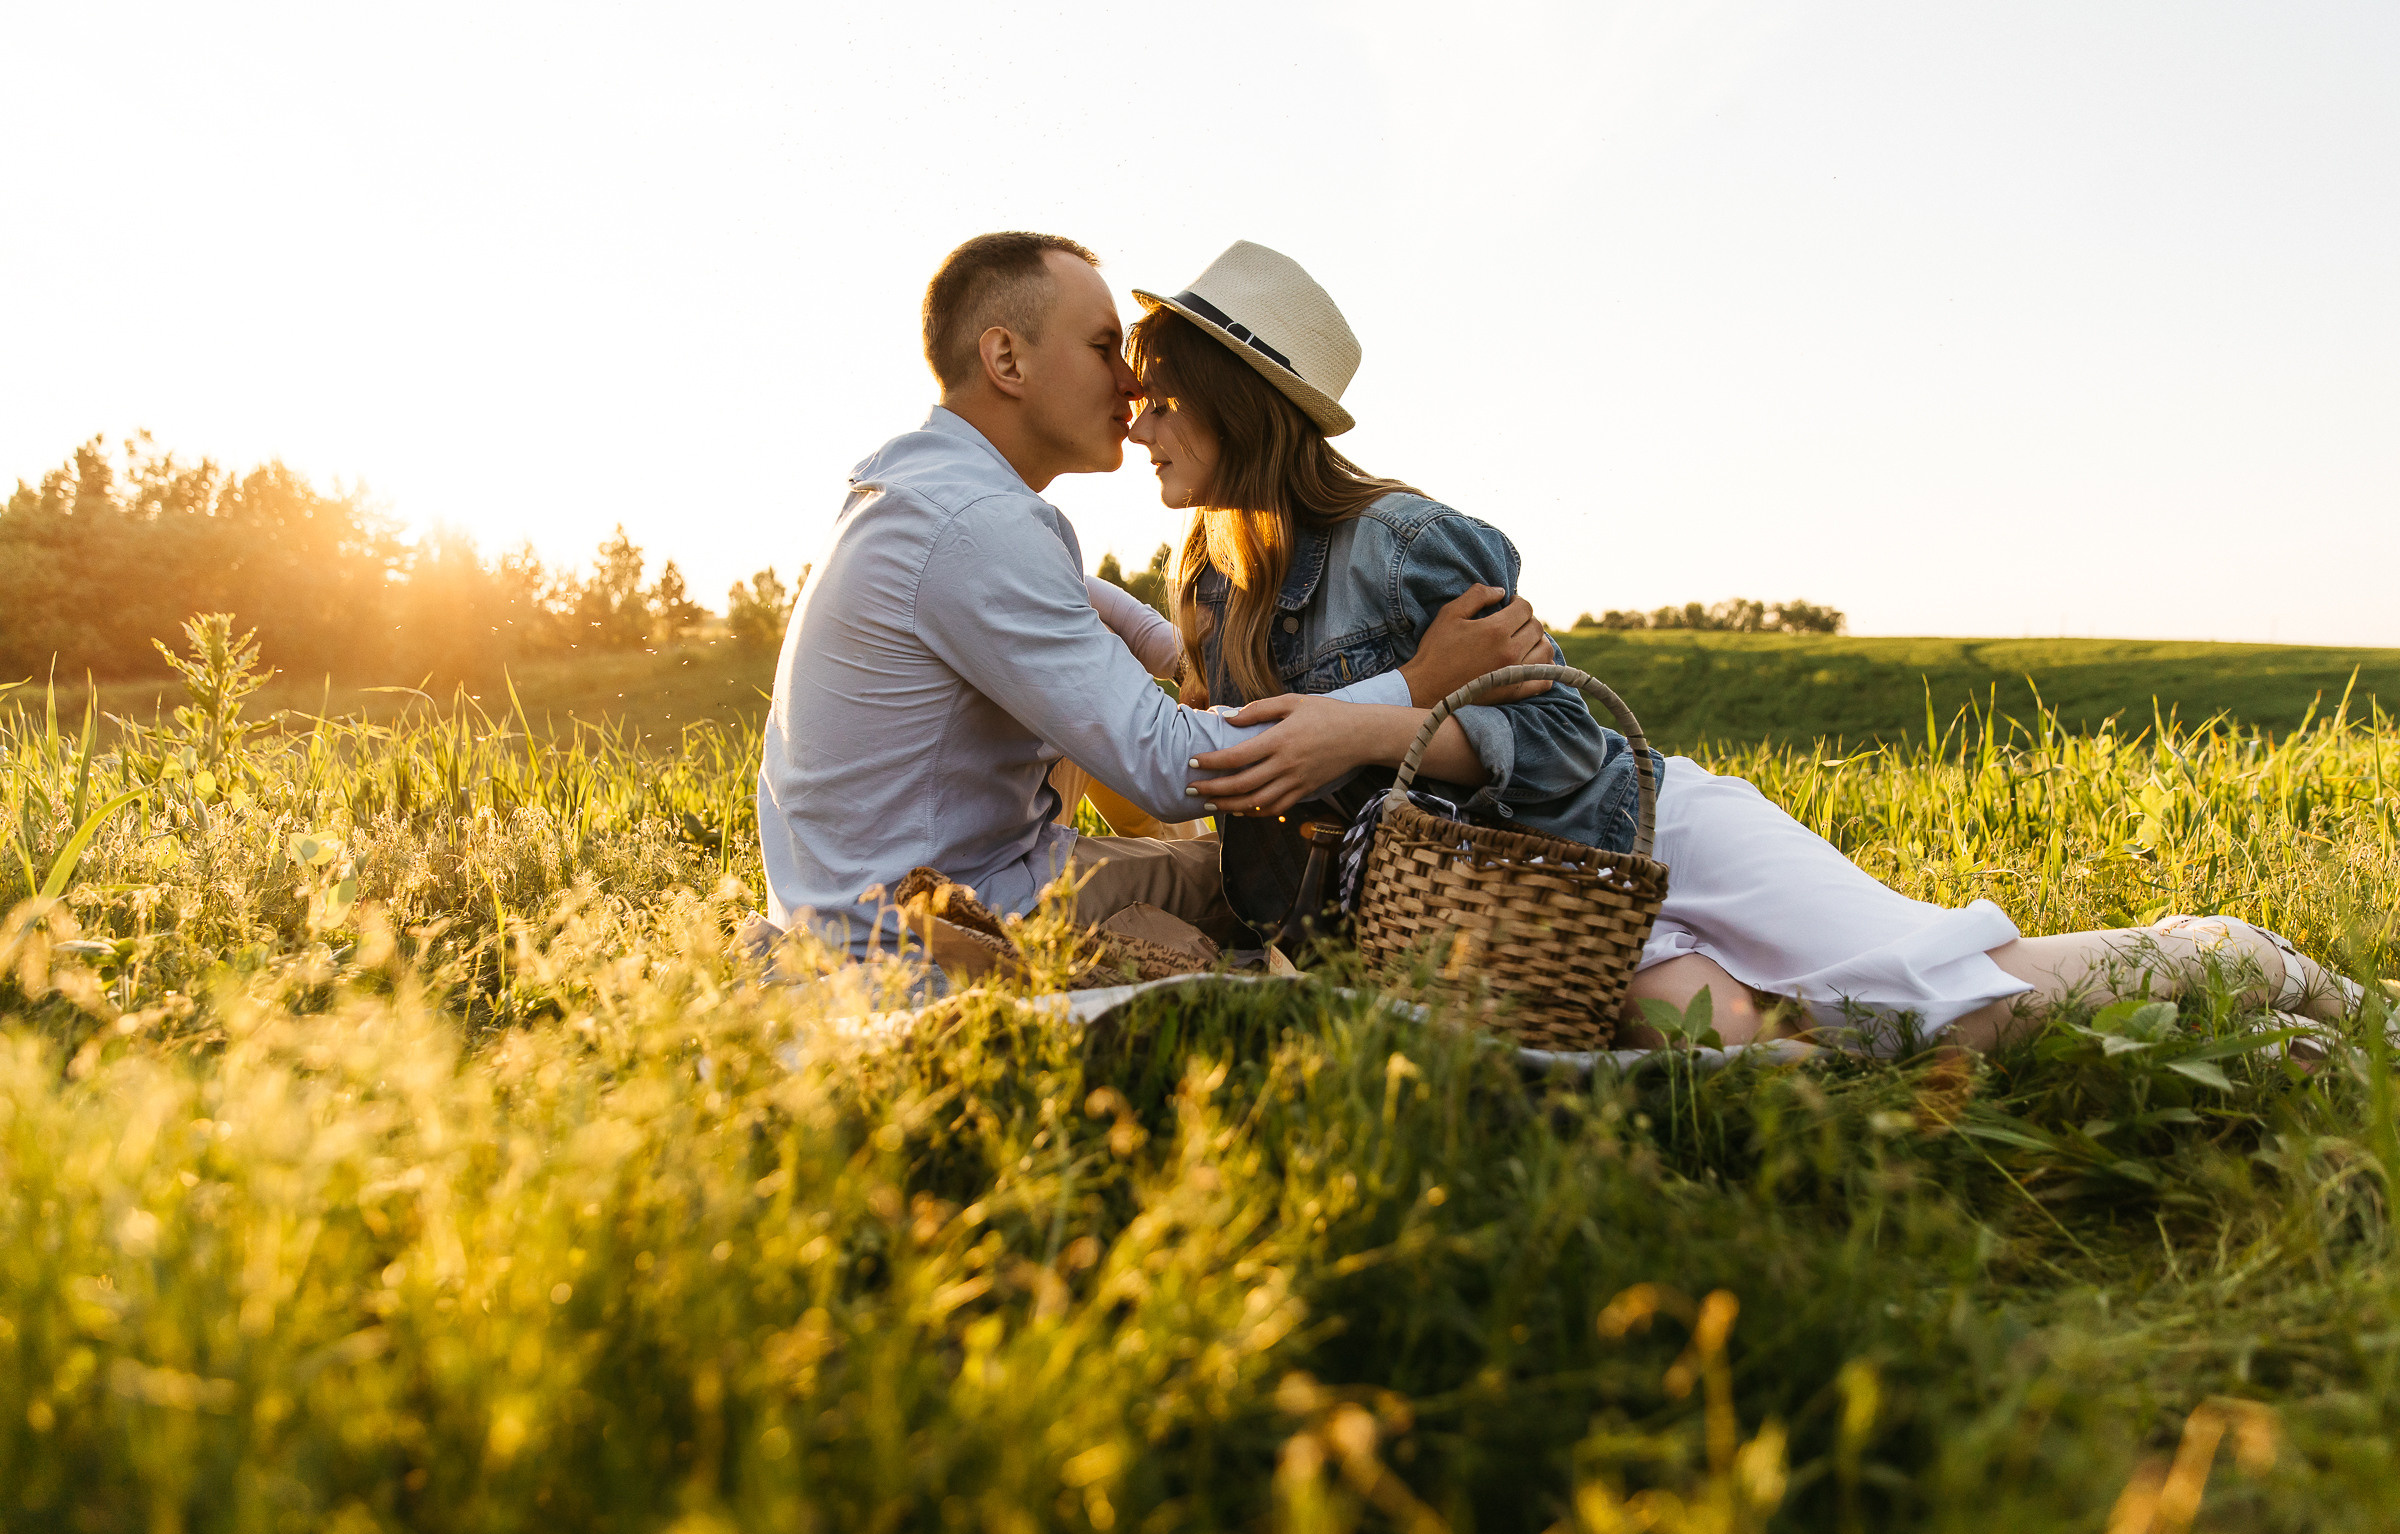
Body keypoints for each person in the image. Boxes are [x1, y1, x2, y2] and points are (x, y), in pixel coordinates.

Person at [1132, 240, 2381, 1053]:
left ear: (1245, 403)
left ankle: (2235, 957)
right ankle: (2253, 1042)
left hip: (1645, 834)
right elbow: (1235, 789)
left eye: (1164, 397)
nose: (1139, 427)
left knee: (1940, 993)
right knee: (1777, 1049)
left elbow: (1560, 743)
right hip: (1539, 922)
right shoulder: (1207, 590)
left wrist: (1363, 726)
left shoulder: (1401, 541)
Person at [755, 232, 1545, 959]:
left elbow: (1073, 596)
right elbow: (1172, 768)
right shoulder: (978, 524)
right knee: (1253, 887)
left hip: (873, 891)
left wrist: (1175, 652)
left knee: (1205, 832)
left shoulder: (927, 491)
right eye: (1103, 348)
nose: (1131, 384)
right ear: (1006, 360)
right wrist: (1415, 684)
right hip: (929, 923)